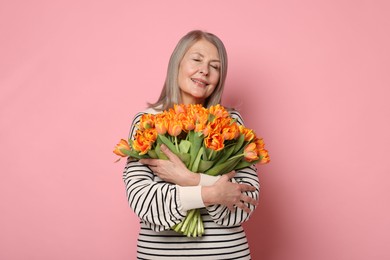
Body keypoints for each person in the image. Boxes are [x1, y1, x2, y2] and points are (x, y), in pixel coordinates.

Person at [122, 30, 260, 259]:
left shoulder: (230, 123)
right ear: (177, 64)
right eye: (196, 59)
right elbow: (143, 201)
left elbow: (246, 202)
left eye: (215, 66)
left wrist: (190, 179)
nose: (204, 70)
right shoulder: (147, 122)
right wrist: (212, 192)